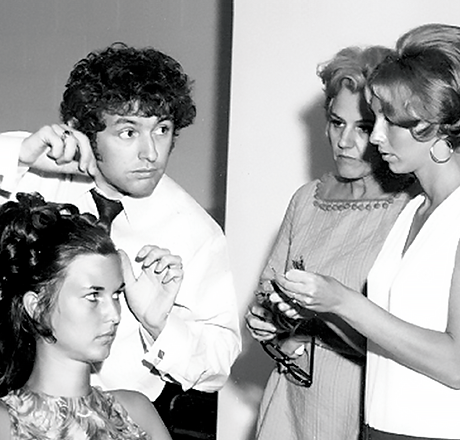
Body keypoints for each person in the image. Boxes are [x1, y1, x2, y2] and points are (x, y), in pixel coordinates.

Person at [0, 43, 241, 439]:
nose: (151, 153)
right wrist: (18, 155)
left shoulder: (195, 231)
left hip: (125, 422)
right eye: (128, 132)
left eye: (162, 130)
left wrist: (158, 324)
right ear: (83, 130)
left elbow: (218, 367)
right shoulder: (33, 178)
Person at [269, 23, 460, 439]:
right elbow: (383, 344)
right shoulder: (415, 210)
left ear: (436, 127)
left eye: (390, 121)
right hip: (378, 429)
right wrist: (321, 313)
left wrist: (343, 300)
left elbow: (456, 364)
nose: (375, 136)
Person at [246, 46, 417, 440]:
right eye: (337, 122)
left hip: (361, 413)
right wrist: (268, 321)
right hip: (290, 407)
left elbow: (405, 347)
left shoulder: (412, 207)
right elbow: (269, 295)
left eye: (363, 127)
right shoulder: (307, 199)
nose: (344, 141)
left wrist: (318, 321)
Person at [0, 192, 181, 440]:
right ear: (36, 306)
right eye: (93, 296)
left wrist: (155, 322)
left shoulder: (137, 411)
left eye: (116, 295)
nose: (114, 315)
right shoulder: (6, 422)